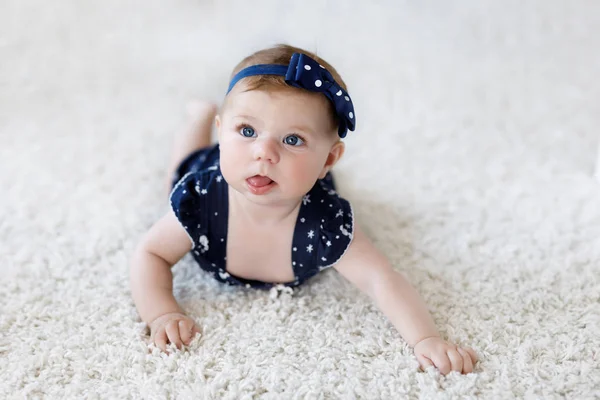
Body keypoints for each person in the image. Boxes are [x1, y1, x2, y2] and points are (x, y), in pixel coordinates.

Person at [130, 44, 478, 375]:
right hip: (213, 168)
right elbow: (151, 254)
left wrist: (425, 338)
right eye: (247, 130)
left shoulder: (325, 222)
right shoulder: (200, 198)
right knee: (178, 174)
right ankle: (200, 118)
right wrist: (161, 312)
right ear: (224, 132)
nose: (263, 152)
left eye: (292, 139)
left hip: (306, 186)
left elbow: (379, 278)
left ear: (329, 158)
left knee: (297, 174)